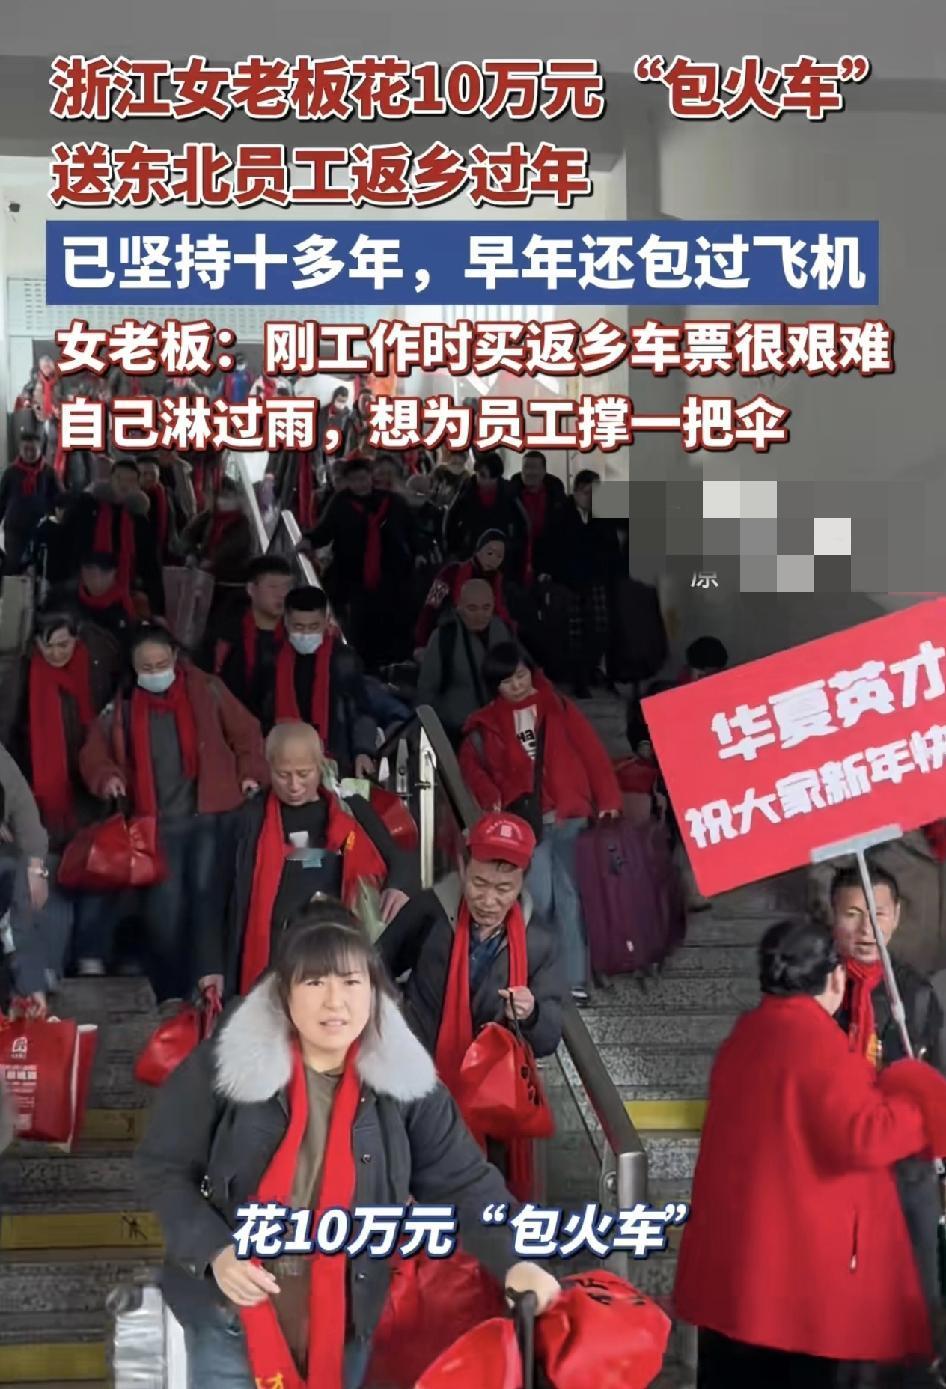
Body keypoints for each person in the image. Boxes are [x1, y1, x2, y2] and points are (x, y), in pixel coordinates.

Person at [137, 903, 560, 1389]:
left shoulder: (403, 1078)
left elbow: (464, 1183)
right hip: (230, 1317)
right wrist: (214, 1250)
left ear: (375, 992)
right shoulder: (229, 1063)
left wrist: (516, 1259)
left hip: (347, 1316)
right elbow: (162, 1165)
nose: (334, 1002)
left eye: (351, 982)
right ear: (283, 992)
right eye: (315, 982)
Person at [675, 916, 938, 1388]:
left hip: (736, 1268)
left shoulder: (746, 1036)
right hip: (791, 1280)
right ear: (835, 978)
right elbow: (866, 1135)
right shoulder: (817, 1043)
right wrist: (918, 1095)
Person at [79, 626, 269, 1006]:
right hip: (158, 826)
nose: (155, 672)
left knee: (206, 904)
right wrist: (108, 778)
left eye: (161, 664)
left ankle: (203, 992)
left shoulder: (208, 690)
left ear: (176, 658)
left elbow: (247, 733)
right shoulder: (123, 707)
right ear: (134, 668)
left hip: (210, 819)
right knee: (163, 914)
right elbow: (93, 753)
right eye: (146, 667)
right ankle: (170, 992)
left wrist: (250, 773)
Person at [830, 862, 946, 1371]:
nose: (866, 929)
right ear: (832, 918)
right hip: (837, 1168)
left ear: (896, 916)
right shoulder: (816, 992)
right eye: (852, 914)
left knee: (915, 1295)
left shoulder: (915, 993)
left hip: (906, 1169)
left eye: (877, 914)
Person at [459, 643, 621, 1003]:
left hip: (570, 814)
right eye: (507, 681)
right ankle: (545, 972)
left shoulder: (558, 706)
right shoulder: (486, 723)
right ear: (495, 686)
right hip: (526, 823)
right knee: (540, 898)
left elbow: (592, 753)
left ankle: (574, 979)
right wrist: (490, 797)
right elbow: (472, 766)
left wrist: (608, 799)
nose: (517, 685)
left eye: (521, 675)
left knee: (569, 898)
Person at [226, 723, 416, 996]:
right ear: (269, 768)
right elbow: (219, 895)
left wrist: (397, 886)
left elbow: (399, 859)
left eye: (304, 774)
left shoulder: (350, 809)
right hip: (273, 957)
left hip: (336, 952)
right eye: (283, 775)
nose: (294, 786)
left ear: (321, 764)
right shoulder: (249, 819)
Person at [379, 811, 563, 1058]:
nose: (488, 901)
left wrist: (530, 1015)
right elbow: (374, 965)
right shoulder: (431, 909)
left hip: (490, 1075)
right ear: (463, 868)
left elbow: (548, 1040)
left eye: (503, 889)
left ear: (522, 884)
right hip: (416, 1062)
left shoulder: (539, 941)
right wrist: (395, 1013)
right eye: (479, 883)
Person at [302, 455, 416, 671]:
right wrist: (308, 540)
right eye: (354, 480)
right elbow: (324, 530)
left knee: (392, 625)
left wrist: (417, 553)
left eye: (363, 478)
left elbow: (410, 531)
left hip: (390, 577)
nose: (360, 484)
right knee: (360, 629)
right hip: (353, 578)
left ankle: (392, 669)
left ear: (371, 477)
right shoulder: (341, 503)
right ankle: (363, 669)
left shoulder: (392, 502)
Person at [267, 586, 378, 775]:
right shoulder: (271, 659)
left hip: (334, 761)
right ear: (286, 622)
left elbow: (361, 711)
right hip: (282, 763)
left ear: (326, 622)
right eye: (298, 627)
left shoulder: (344, 660)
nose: (306, 634)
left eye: (313, 627)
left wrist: (363, 751)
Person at [545, 469, 622, 697]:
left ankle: (592, 670)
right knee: (575, 633)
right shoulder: (561, 513)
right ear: (577, 491)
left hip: (597, 580)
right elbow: (552, 548)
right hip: (570, 581)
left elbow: (611, 547)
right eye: (588, 492)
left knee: (600, 628)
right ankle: (579, 677)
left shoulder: (602, 515)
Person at [59, 458, 165, 616]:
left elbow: (151, 566)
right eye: (119, 478)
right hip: (83, 589)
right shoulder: (87, 507)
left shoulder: (139, 521)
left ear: (137, 486)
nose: (124, 485)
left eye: (130, 480)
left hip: (123, 595)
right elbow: (65, 541)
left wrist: (158, 610)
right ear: (110, 480)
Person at [416, 578, 516, 745]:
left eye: (486, 608)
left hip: (498, 728)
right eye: (472, 608)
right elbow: (426, 693)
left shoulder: (500, 630)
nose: (480, 615)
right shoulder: (444, 637)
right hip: (456, 731)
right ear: (459, 607)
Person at [202, 556, 294, 725]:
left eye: (287, 587)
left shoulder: (297, 636)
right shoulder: (225, 636)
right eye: (273, 587)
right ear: (251, 589)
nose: (282, 594)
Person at [414, 530, 511, 651]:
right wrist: (421, 643)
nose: (493, 559)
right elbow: (431, 605)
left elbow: (503, 615)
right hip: (452, 638)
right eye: (490, 553)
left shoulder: (499, 583)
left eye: (499, 556)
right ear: (478, 550)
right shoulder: (450, 573)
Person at [444, 451, 529, 580]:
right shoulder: (467, 489)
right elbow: (451, 519)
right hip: (471, 552)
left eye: (488, 476)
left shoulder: (509, 492)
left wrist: (513, 549)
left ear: (496, 477)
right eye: (480, 474)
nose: (483, 480)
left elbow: (523, 525)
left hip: (500, 556)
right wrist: (453, 549)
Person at [0, 424, 62, 573]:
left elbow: (59, 497)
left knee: (40, 566)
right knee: (14, 565)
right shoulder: (11, 472)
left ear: (40, 449)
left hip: (40, 528)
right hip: (15, 528)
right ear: (20, 449)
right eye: (25, 449)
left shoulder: (48, 472)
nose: (29, 453)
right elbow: (1, 500)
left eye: (33, 450)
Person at [180, 477, 255, 588]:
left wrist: (212, 561)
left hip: (230, 580)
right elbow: (188, 534)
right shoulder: (210, 517)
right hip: (205, 576)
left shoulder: (242, 522)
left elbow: (231, 548)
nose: (225, 500)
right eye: (222, 495)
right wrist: (191, 553)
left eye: (228, 496)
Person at [509, 450, 566, 581]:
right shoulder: (511, 494)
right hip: (519, 559)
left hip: (549, 559)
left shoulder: (555, 493)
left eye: (534, 467)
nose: (529, 472)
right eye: (526, 467)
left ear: (544, 471)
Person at [137, 455, 178, 565]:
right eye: (144, 474)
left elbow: (174, 524)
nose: (149, 478)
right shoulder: (130, 497)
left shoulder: (166, 494)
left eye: (153, 474)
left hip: (161, 551)